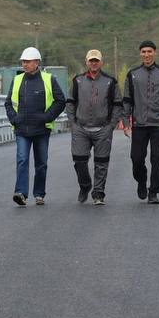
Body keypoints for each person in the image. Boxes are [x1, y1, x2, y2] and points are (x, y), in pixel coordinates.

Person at [4, 46, 66, 206]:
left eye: (28, 61)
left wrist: (47, 117)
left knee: (41, 163)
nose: (24, 64)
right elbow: (8, 103)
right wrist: (14, 119)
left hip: (41, 130)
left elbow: (61, 101)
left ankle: (39, 194)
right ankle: (21, 193)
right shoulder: (17, 80)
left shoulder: (48, 79)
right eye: (23, 61)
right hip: (21, 129)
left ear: (37, 62)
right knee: (22, 159)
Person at [121, 40, 159, 204]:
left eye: (150, 51)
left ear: (155, 53)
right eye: (144, 52)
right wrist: (126, 122)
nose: (147, 54)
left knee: (157, 158)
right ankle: (141, 181)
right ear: (140, 54)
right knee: (136, 158)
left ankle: (153, 191)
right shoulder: (132, 74)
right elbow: (127, 100)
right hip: (139, 124)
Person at [66, 49, 123, 206]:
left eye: (96, 60)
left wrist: (112, 125)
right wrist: (73, 122)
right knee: (79, 160)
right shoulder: (77, 80)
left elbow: (118, 104)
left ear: (101, 62)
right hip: (81, 128)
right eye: (91, 60)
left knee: (101, 163)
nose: (94, 63)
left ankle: (98, 193)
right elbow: (70, 102)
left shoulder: (110, 81)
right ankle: (85, 185)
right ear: (86, 62)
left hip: (103, 128)